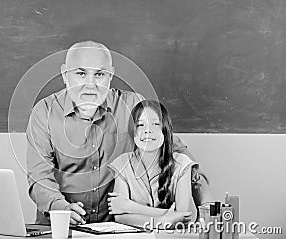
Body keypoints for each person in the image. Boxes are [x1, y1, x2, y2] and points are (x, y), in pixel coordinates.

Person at [26, 40, 212, 225]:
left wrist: (207, 205)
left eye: (99, 74)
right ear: (65, 74)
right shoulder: (44, 113)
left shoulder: (132, 105)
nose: (90, 84)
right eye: (81, 73)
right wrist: (61, 208)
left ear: (110, 76)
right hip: (60, 227)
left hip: (119, 228)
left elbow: (176, 152)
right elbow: (39, 177)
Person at [107, 100, 196, 228]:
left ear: (165, 130)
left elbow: (183, 216)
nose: (148, 130)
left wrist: (129, 206)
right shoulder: (122, 163)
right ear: (132, 132)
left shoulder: (181, 164)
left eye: (155, 124)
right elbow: (120, 217)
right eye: (140, 125)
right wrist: (162, 221)